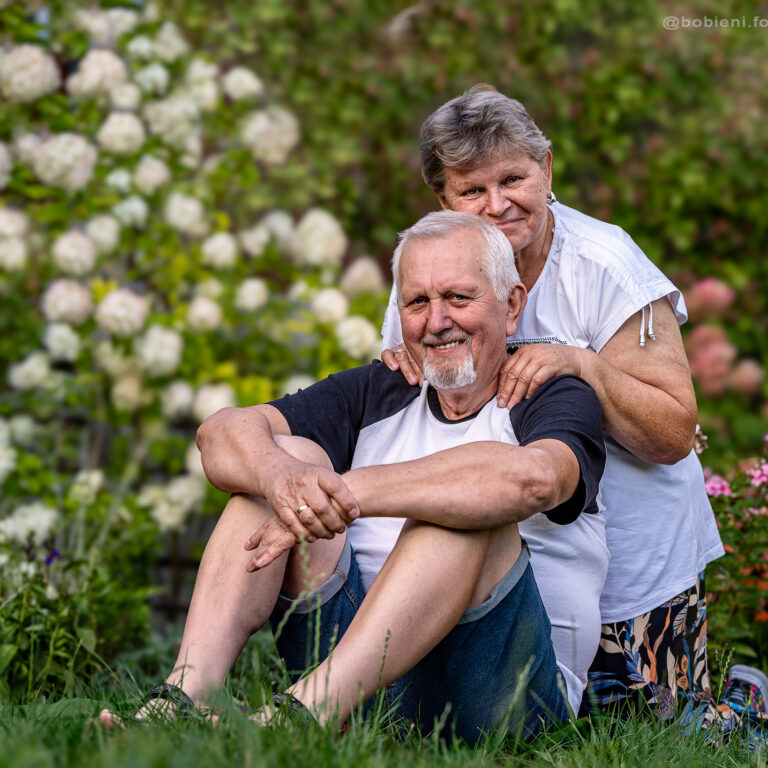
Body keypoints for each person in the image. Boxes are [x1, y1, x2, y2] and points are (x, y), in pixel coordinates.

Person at [101, 211, 607, 742]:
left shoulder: (551, 392)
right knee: (278, 464)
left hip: (500, 692)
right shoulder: (383, 388)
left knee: (464, 507)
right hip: (362, 685)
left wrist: (350, 493)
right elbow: (220, 434)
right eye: (417, 303)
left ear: (511, 306)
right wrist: (280, 478)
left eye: (458, 298)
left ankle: (294, 721)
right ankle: (184, 699)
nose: (437, 321)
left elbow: (534, 480)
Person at [379, 86, 724, 715]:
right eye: (472, 190)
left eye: (514, 178)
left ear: (546, 168)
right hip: (493, 554)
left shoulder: (604, 264)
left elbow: (675, 431)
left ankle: (747, 698)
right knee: (509, 718)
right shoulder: (434, 271)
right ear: (442, 199)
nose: (498, 204)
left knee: (652, 725)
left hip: (632, 562)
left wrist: (582, 364)